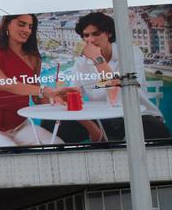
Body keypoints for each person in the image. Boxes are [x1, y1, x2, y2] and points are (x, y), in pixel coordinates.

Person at [56, 11, 170, 144]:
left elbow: (124, 87)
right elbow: (75, 94)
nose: (90, 40)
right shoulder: (81, 62)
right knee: (58, 127)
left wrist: (98, 59)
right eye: (86, 35)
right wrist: (65, 95)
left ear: (109, 33)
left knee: (157, 130)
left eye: (96, 34)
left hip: (137, 115)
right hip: (101, 118)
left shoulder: (131, 53)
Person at [0, 14, 65, 148]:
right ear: (7, 25)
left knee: (58, 144)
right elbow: (2, 83)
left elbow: (37, 99)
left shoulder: (34, 58)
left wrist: (57, 98)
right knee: (11, 152)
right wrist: (46, 91)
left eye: (30, 27)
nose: (27, 30)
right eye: (21, 24)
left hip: (21, 125)